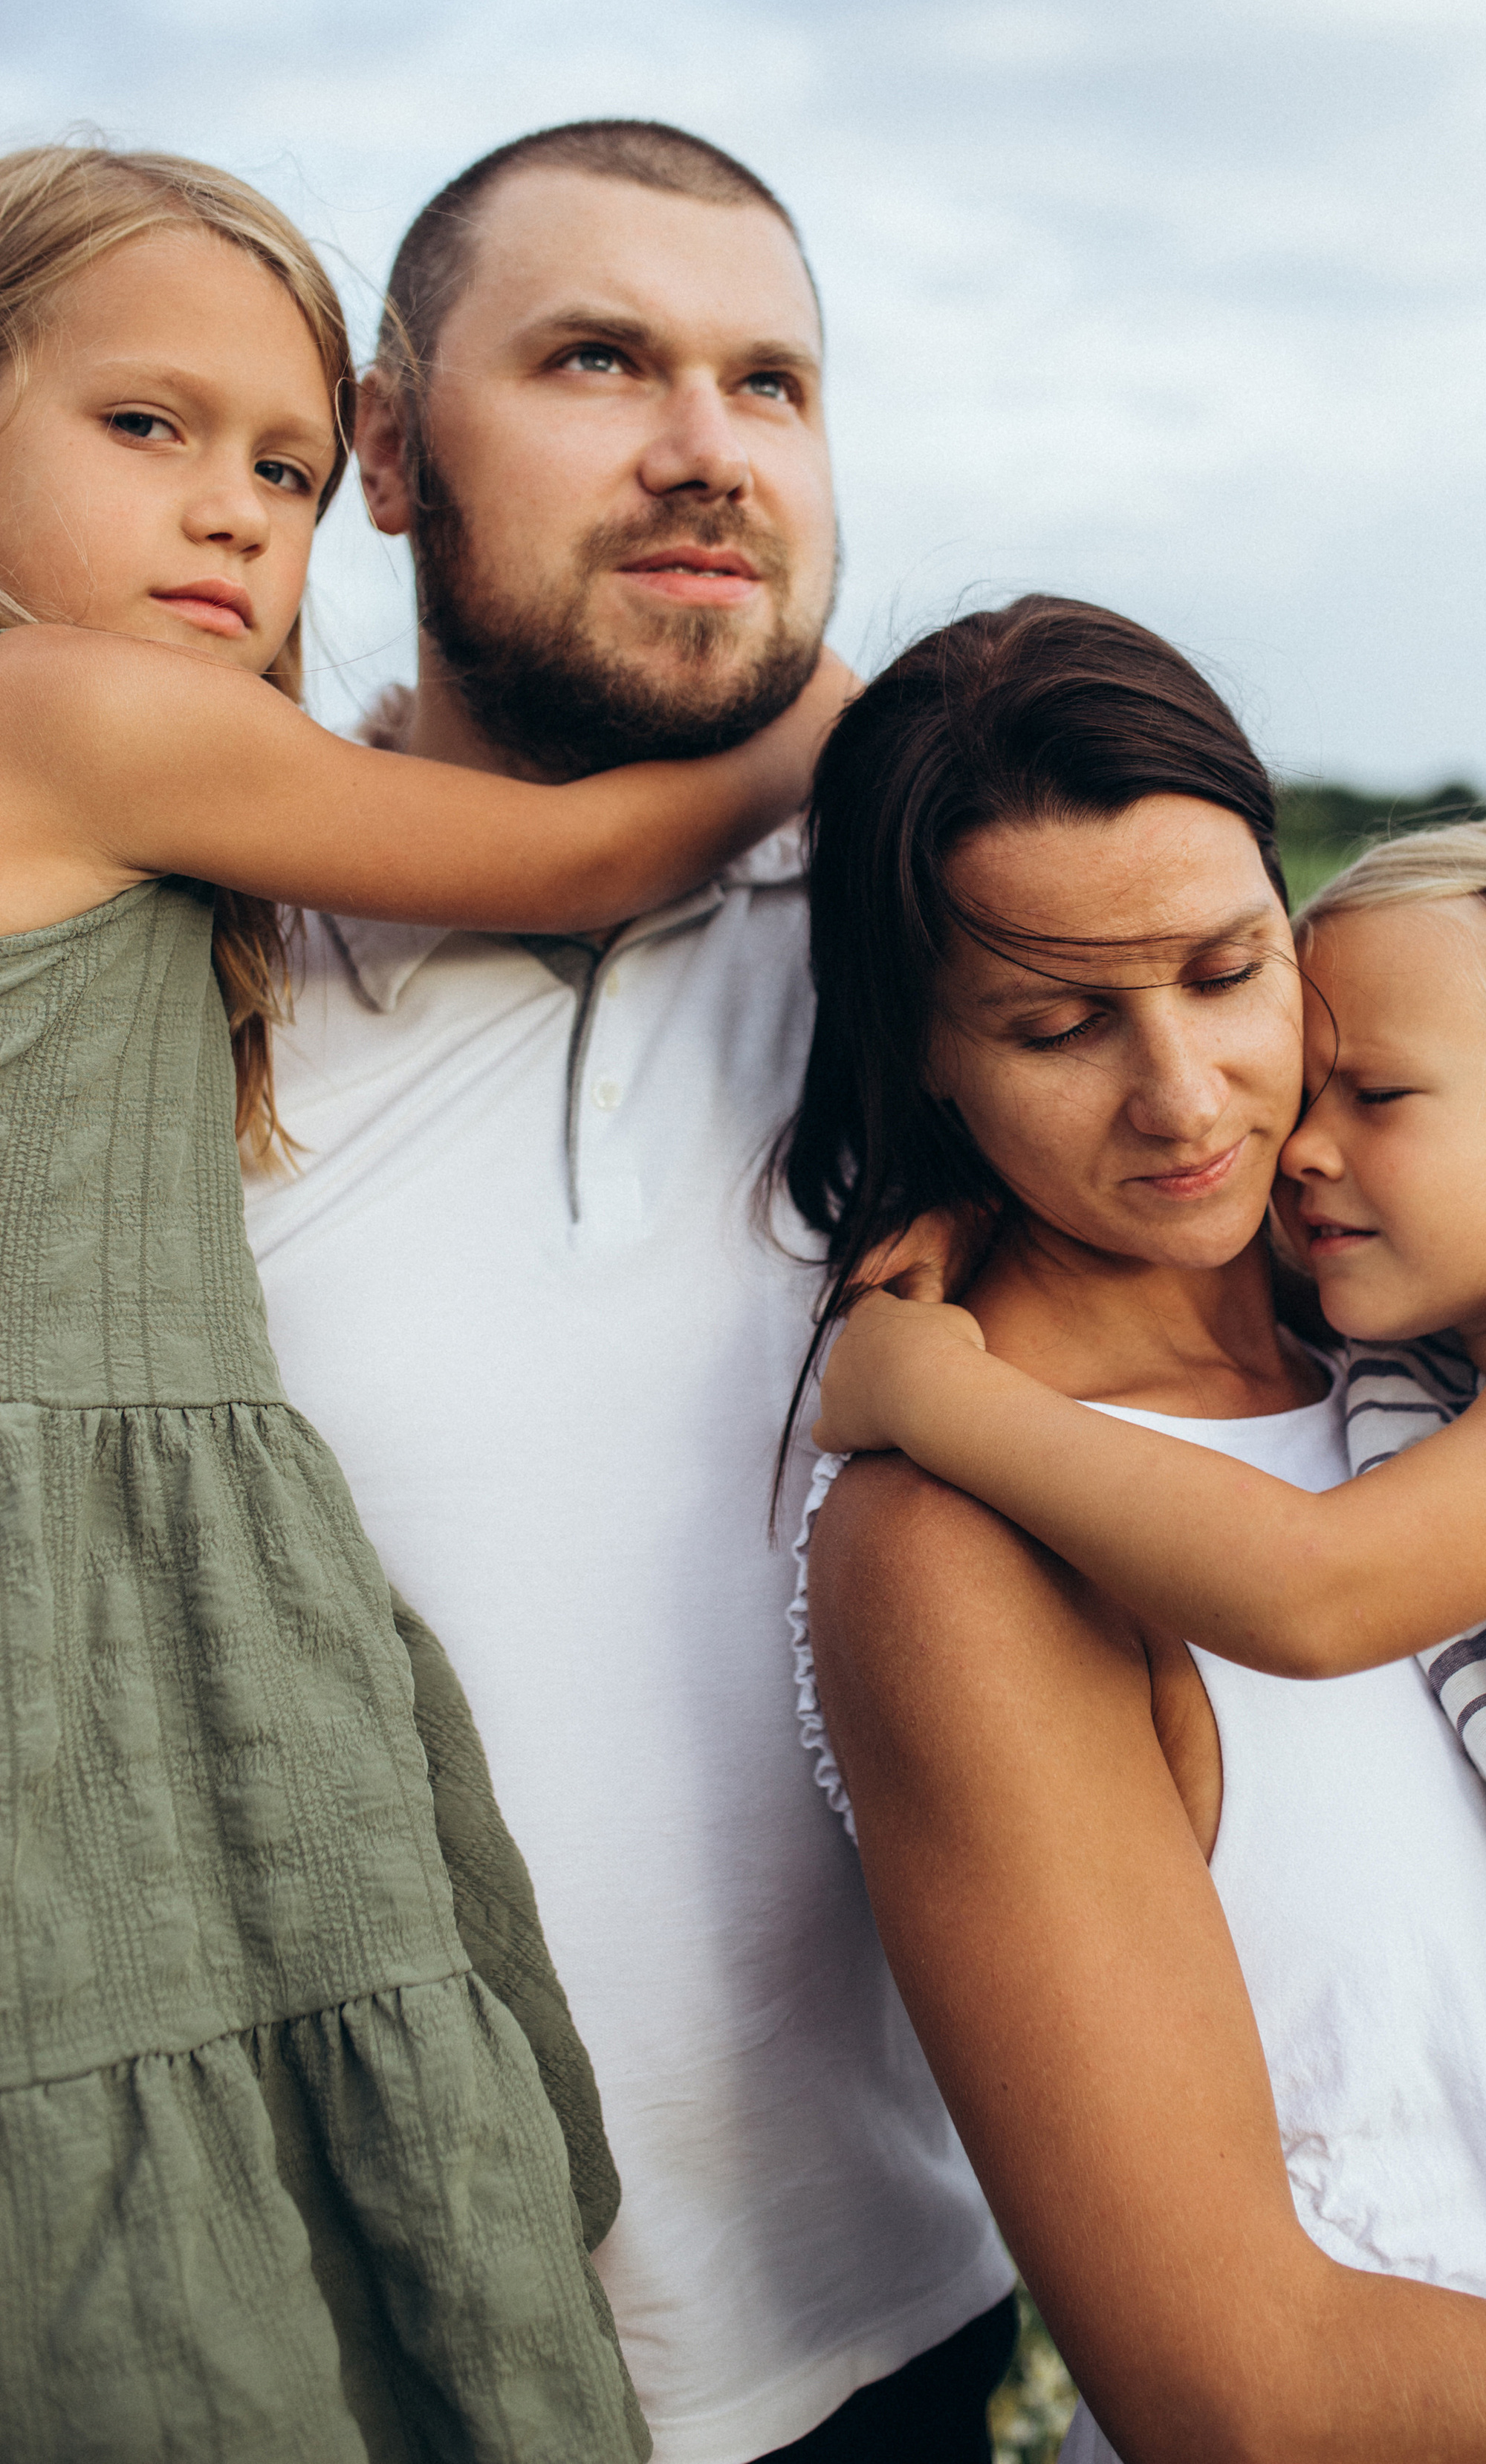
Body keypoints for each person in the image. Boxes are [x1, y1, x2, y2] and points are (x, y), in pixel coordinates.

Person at [786, 594, 1486, 2460]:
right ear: (924, 1050)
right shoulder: (962, 1543)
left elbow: (1319, 1569)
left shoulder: (1449, 1356)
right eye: (1057, 1026)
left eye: (1229, 978)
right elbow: (1240, 2396)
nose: (1190, 1101)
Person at [0, 137, 843, 2459]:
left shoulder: (902, 958)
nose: (228, 514)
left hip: (848, 2299)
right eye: (143, 429)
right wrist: (825, 705)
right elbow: (578, 849)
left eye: (266, 460)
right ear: (420, 446)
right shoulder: (93, 736)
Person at [244, 120, 1017, 2464]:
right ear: (384, 451)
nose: (706, 451)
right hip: (323, 2358)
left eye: (771, 383)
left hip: (888, 2328)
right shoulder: (179, 986)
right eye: (599, 359)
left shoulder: (959, 974)